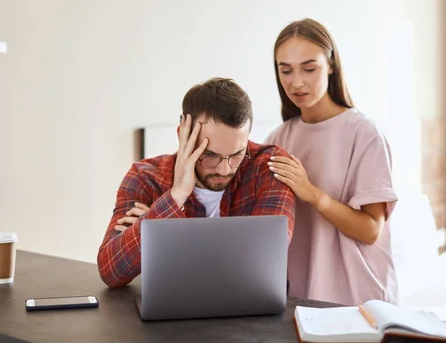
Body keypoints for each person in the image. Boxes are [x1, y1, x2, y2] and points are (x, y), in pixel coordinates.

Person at [97, 77, 296, 288]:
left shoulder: (270, 166)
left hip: (254, 317)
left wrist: (160, 231)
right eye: (210, 155)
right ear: (183, 135)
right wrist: (176, 195)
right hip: (173, 317)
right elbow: (111, 272)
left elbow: (263, 260)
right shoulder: (145, 177)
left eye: (237, 154)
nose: (224, 169)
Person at [265, 18, 399, 306]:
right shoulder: (276, 140)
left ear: (331, 64)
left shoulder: (364, 134)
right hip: (296, 300)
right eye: (285, 70)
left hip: (357, 302)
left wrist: (312, 194)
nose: (296, 82)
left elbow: (370, 230)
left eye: (309, 68)